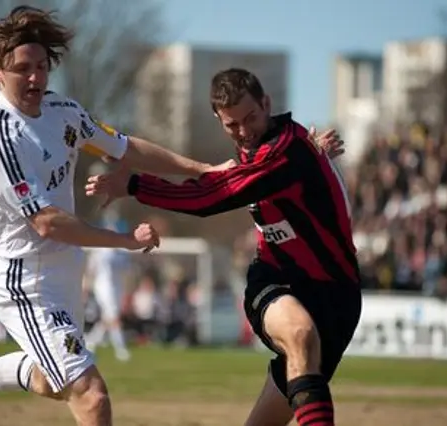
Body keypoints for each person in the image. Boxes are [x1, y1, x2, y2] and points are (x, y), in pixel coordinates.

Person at [0, 6, 229, 425]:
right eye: (22, 69)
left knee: (55, 381)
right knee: (91, 395)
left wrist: (202, 169)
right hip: (25, 278)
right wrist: (127, 241)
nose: (35, 78)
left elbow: (125, 147)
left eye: (41, 67)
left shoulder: (62, 111)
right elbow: (47, 222)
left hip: (65, 268)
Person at [85, 68, 360, 426]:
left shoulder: (286, 151)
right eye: (232, 125)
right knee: (299, 333)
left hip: (336, 296)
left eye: (251, 118)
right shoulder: (269, 153)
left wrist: (136, 184)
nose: (244, 132)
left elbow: (208, 196)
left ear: (267, 104)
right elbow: (217, 179)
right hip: (277, 280)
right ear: (219, 120)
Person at [83, 211, 132, 361]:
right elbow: (91, 270)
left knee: (108, 318)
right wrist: (85, 287)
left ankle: (91, 340)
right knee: (113, 317)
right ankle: (121, 349)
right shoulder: (100, 251)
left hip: (117, 287)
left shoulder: (122, 252)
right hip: (103, 287)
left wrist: (127, 291)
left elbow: (127, 272)